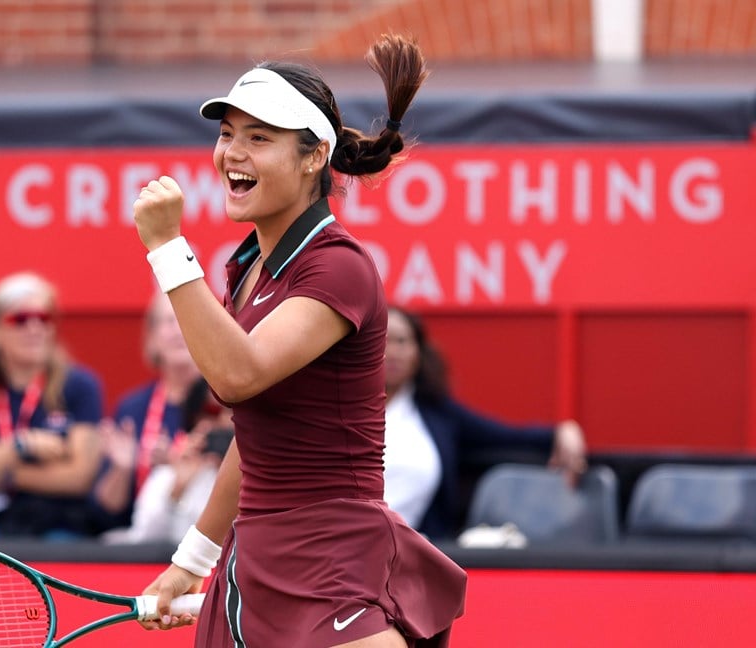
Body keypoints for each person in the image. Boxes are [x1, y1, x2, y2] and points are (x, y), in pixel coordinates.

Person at [132, 34, 466, 648]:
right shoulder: (247, 268)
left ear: (314, 158)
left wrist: (167, 249)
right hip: (255, 561)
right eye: (228, 133)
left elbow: (238, 376)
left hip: (336, 559)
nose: (233, 152)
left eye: (260, 138)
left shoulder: (338, 266)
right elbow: (253, 432)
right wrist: (193, 560)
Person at [383, 306, 588, 541]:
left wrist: (561, 432)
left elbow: (506, 436)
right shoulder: (336, 408)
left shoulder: (438, 413)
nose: (393, 351)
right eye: (383, 340)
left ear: (418, 352)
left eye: (402, 341)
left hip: (409, 555)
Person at [0, 271, 105, 538]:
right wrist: (20, 445)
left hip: (61, 528)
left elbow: (79, 477)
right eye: (20, 319)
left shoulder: (80, 386)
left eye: (43, 318)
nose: (35, 328)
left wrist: (4, 474)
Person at [91, 291, 202, 533]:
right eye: (168, 321)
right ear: (151, 338)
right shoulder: (133, 408)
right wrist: (123, 468)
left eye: (185, 317)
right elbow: (107, 512)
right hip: (146, 542)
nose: (177, 329)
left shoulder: (228, 402)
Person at [102, 377, 233, 544]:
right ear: (194, 418)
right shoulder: (169, 472)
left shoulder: (263, 467)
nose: (224, 420)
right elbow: (147, 540)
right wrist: (178, 490)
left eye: (232, 410)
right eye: (211, 411)